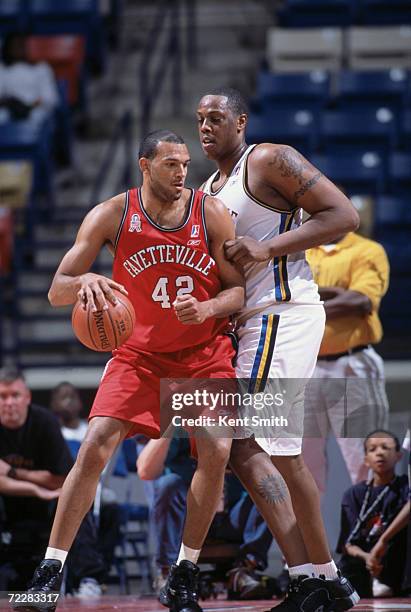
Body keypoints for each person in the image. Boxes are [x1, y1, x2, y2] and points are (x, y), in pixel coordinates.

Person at [24, 129, 244, 612]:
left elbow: (237, 293)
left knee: (216, 451)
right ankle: (49, 571)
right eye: (171, 164)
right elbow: (56, 290)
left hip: (202, 354)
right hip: (138, 356)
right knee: (94, 446)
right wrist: (85, 279)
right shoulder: (112, 214)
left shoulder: (210, 212)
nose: (182, 172)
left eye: (185, 163)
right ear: (144, 165)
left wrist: (208, 311)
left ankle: (184, 572)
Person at [183, 86, 361, 612]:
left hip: (283, 313)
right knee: (253, 449)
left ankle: (318, 580)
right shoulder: (210, 189)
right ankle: (322, 580)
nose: (206, 126)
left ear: (241, 121)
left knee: (261, 447)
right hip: (253, 323)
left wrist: (270, 245)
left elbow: (343, 215)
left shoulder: (268, 159)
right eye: (200, 119)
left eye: (216, 116)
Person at [303, 232, 390, 492]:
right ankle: (308, 534)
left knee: (368, 459)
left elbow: (361, 300)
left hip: (351, 364)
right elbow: (285, 296)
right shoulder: (302, 249)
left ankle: (371, 532)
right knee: (302, 462)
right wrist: (334, 295)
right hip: (305, 367)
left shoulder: (367, 250)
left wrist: (308, 306)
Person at [137, 435, 273, 600]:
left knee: (268, 484)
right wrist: (171, 423)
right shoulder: (183, 430)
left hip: (232, 517)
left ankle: (244, 571)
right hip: (188, 520)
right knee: (168, 485)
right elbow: (145, 470)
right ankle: (168, 572)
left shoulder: (239, 425)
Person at [0, 367, 68, 590]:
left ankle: (87, 579)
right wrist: (35, 488)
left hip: (45, 503)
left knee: (72, 501)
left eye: (15, 395)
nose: (9, 402)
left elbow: (60, 480)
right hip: (7, 503)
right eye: (2, 396)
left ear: (27, 397)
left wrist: (12, 472)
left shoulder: (45, 422)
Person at [49, 382, 120, 590]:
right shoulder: (53, 432)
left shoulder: (93, 430)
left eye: (72, 396)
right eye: (62, 397)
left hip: (98, 489)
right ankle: (88, 576)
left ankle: (100, 573)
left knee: (112, 507)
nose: (68, 401)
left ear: (81, 403)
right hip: (63, 491)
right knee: (76, 505)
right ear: (53, 404)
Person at [337, 430, 409, 598]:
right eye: (373, 449)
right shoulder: (354, 494)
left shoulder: (405, 486)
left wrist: (382, 543)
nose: (380, 453)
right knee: (347, 566)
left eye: (385, 447)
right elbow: (347, 543)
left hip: (394, 558)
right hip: (364, 559)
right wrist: (368, 557)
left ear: (398, 455)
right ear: (366, 460)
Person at [0, 33, 58, 124]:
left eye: (20, 45)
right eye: (14, 46)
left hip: (35, 109)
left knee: (37, 117)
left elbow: (49, 98)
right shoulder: (2, 69)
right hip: (9, 109)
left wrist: (28, 106)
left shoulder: (41, 68)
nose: (17, 49)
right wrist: (13, 104)